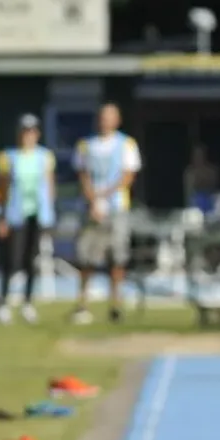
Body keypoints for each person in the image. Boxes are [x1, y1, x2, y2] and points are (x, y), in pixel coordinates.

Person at [72, 103, 141, 325]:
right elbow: (82, 175)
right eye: (103, 117)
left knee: (117, 258)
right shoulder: (86, 145)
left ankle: (115, 304)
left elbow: (128, 176)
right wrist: (93, 200)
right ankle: (83, 304)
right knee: (86, 257)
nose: (105, 121)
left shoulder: (127, 144)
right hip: (93, 209)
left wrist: (106, 195)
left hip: (117, 208)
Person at [0, 114, 57, 324]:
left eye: (31, 132)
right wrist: (1, 217)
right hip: (15, 214)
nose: (28, 136)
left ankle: (27, 302)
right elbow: (2, 190)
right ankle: (4, 301)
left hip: (37, 214)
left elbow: (49, 187)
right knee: (12, 259)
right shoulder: (8, 157)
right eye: (24, 131)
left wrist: (49, 215)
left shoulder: (45, 157)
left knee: (32, 259)